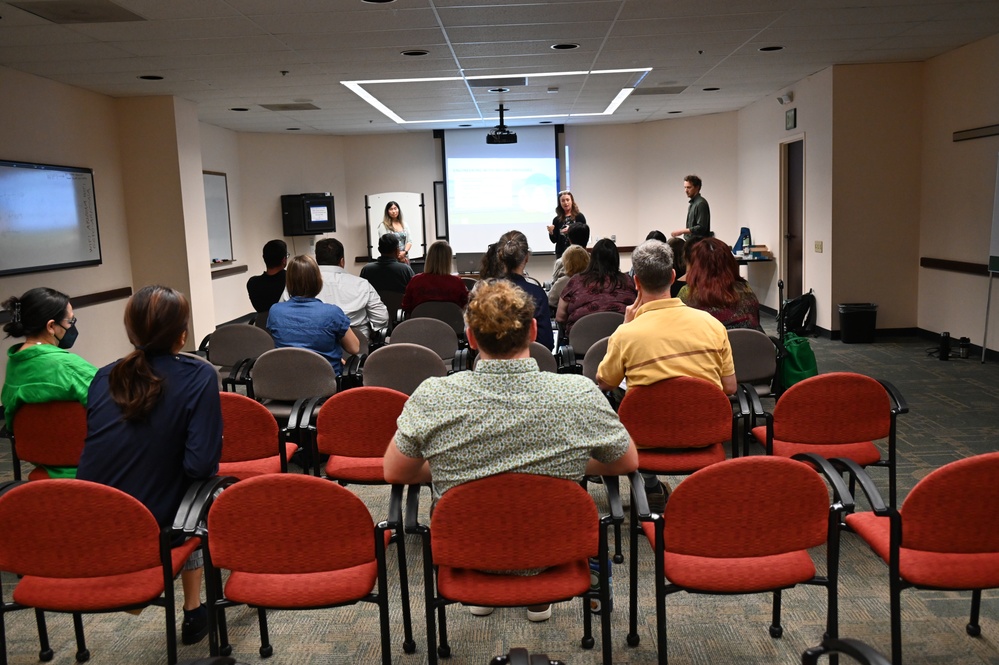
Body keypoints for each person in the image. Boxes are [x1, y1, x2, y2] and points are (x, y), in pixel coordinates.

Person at [383, 279, 637, 621]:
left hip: (467, 546)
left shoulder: (434, 396)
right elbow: (626, 460)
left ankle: (485, 577)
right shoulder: (578, 394)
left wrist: (453, 466)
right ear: (533, 330)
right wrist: (564, 461)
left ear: (471, 338)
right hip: (554, 547)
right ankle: (534, 588)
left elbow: (394, 471)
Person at [77, 285, 222, 645]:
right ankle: (193, 606)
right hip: (154, 528)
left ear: (132, 332)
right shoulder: (198, 375)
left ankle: (189, 605)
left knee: (179, 485)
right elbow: (201, 464)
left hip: (94, 518)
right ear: (183, 334)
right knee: (203, 493)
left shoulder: (103, 375)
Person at [596, 240, 735, 511]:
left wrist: (625, 326)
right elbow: (729, 387)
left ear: (636, 281)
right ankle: (700, 492)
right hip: (703, 434)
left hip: (646, 438)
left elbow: (604, 382)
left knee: (618, 397)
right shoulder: (713, 326)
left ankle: (649, 486)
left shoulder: (627, 334)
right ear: (673, 276)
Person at [2, 287, 98, 477]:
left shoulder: (14, 364)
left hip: (43, 469)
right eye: (70, 321)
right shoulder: (68, 366)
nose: (72, 326)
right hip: (90, 468)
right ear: (51, 326)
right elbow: (112, 403)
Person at [267, 255, 360, 375]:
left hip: (287, 381)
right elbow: (354, 348)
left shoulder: (275, 311)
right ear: (317, 280)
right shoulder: (332, 313)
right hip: (326, 382)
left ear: (289, 282)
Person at [287, 237, 388, 342]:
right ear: (342, 261)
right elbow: (381, 318)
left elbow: (285, 314)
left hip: (311, 348)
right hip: (357, 349)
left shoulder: (299, 283)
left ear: (316, 260)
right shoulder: (362, 284)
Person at [482, 231, 555, 350]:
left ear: (500, 257)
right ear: (526, 258)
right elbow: (546, 344)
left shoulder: (486, 292)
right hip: (530, 360)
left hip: (491, 361)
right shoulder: (537, 293)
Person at [678, 237, 765, 332]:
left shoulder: (687, 294)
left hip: (708, 346)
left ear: (696, 265)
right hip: (749, 345)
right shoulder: (746, 289)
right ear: (730, 262)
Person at [556, 238, 636, 336]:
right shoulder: (628, 281)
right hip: (622, 341)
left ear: (592, 258)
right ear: (616, 259)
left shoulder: (576, 281)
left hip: (581, 342)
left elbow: (560, 317)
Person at [401, 240, 468, 315]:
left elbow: (406, 307)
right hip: (451, 325)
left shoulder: (415, 281)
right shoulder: (457, 283)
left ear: (429, 258)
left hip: (420, 325)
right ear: (448, 260)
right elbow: (466, 306)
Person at [246, 239, 288, 313]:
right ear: (284, 260)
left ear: (263, 258)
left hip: (262, 323)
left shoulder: (253, 283)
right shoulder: (292, 280)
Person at [547, 190, 587, 258]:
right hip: (561, 253)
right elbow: (554, 240)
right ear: (560, 203)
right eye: (563, 201)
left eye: (567, 200)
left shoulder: (579, 217)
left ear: (572, 201)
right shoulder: (556, 219)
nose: (566, 203)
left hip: (577, 252)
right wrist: (551, 232)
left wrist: (571, 229)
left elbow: (585, 234)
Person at [548, 244, 589, 309]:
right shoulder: (593, 280)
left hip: (569, 317)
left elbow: (550, 301)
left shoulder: (562, 282)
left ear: (566, 262)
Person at [671, 175, 711, 241]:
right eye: (685, 187)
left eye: (689, 187)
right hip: (692, 243)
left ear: (697, 187)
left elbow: (701, 227)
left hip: (698, 245)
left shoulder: (701, 204)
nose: (686, 190)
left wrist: (682, 231)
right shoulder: (693, 204)